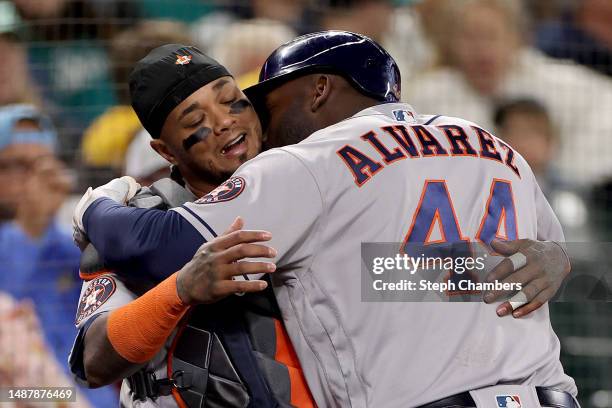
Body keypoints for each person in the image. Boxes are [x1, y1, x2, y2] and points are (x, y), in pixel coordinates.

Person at [73, 32, 577, 407]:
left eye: (242, 102)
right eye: (195, 121)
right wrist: (179, 290)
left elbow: (390, 275)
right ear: (164, 150)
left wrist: (556, 259)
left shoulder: (306, 175)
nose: (230, 121)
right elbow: (94, 362)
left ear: (317, 91)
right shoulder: (142, 213)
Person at [406, 0, 612, 185]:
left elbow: (605, 103)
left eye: (491, 36)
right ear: (450, 43)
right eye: (470, 37)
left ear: (515, 39)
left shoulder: (551, 80)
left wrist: (556, 169)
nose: (482, 50)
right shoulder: (429, 93)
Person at [0, 104, 117, 407]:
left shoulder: (78, 243)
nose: (35, 178)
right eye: (18, 165)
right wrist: (30, 228)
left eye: (43, 163)